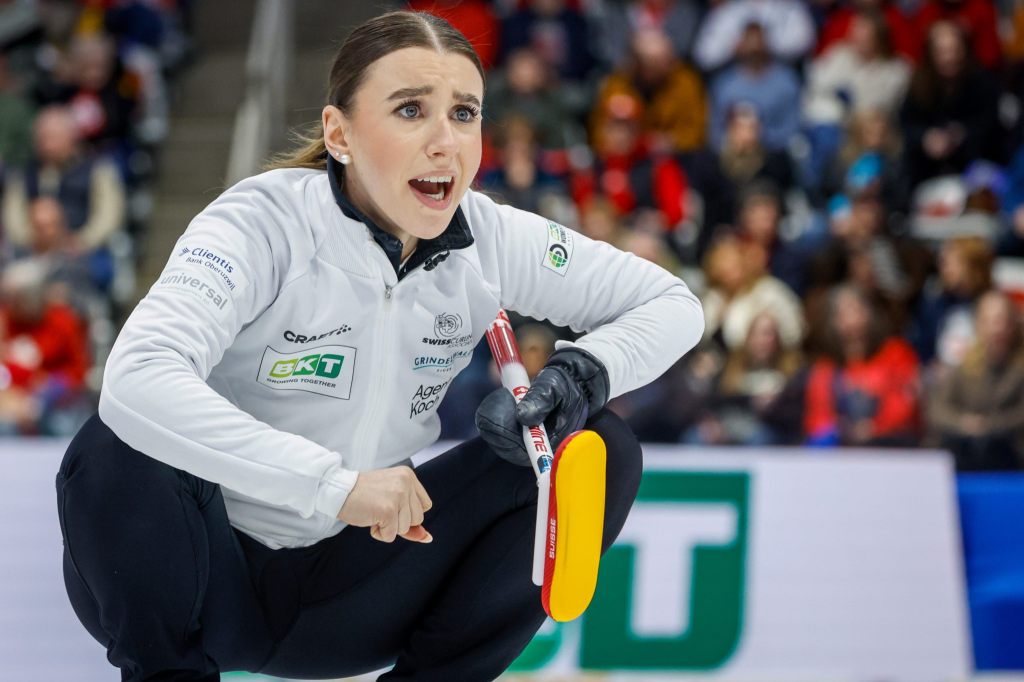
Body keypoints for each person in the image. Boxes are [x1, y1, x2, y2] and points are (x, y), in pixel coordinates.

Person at [54, 11, 704, 682]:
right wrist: (333, 486)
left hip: (348, 595)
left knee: (597, 444)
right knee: (119, 440)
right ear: (339, 134)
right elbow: (137, 375)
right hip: (196, 573)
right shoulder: (260, 223)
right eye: (410, 110)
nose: (444, 142)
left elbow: (674, 304)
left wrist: (576, 376)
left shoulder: (493, 239)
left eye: (463, 113)